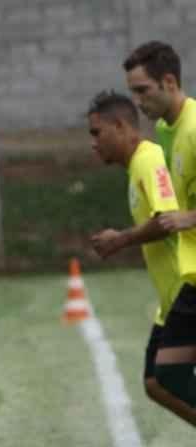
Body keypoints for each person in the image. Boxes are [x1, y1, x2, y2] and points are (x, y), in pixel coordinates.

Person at [87, 91, 192, 424]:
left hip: (186, 290)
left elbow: (166, 218)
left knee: (168, 376)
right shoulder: (136, 167)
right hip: (170, 301)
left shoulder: (148, 160)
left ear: (121, 126)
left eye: (96, 133)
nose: (93, 143)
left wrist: (121, 239)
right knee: (155, 383)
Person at [122, 41, 196, 413]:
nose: (137, 101)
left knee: (167, 373)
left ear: (169, 81)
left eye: (142, 91)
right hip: (191, 277)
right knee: (163, 375)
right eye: (132, 92)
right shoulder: (168, 132)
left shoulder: (195, 128)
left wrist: (190, 217)